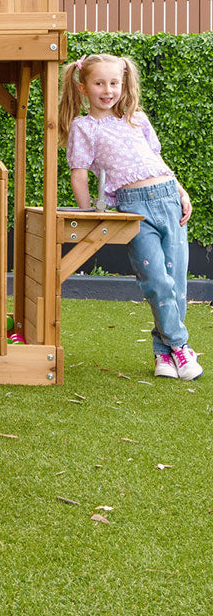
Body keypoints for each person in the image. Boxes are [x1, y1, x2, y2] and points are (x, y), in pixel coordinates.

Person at [61, 53, 200, 381]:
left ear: (123, 86)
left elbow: (155, 159)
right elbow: (79, 175)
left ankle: (163, 355)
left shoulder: (137, 119)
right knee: (155, 282)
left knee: (176, 284)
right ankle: (181, 346)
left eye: (114, 83)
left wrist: (181, 191)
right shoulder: (84, 127)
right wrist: (87, 215)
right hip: (134, 208)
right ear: (83, 87)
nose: (107, 90)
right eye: (99, 83)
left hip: (168, 197)